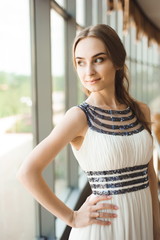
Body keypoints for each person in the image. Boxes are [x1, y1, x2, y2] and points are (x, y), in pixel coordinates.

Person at [17, 24, 160, 240]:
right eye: (80, 63)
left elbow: (149, 175)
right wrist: (72, 218)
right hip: (103, 228)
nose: (88, 71)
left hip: (142, 225)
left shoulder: (140, 110)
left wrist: (156, 228)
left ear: (118, 61)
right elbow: (27, 172)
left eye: (98, 59)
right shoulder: (79, 117)